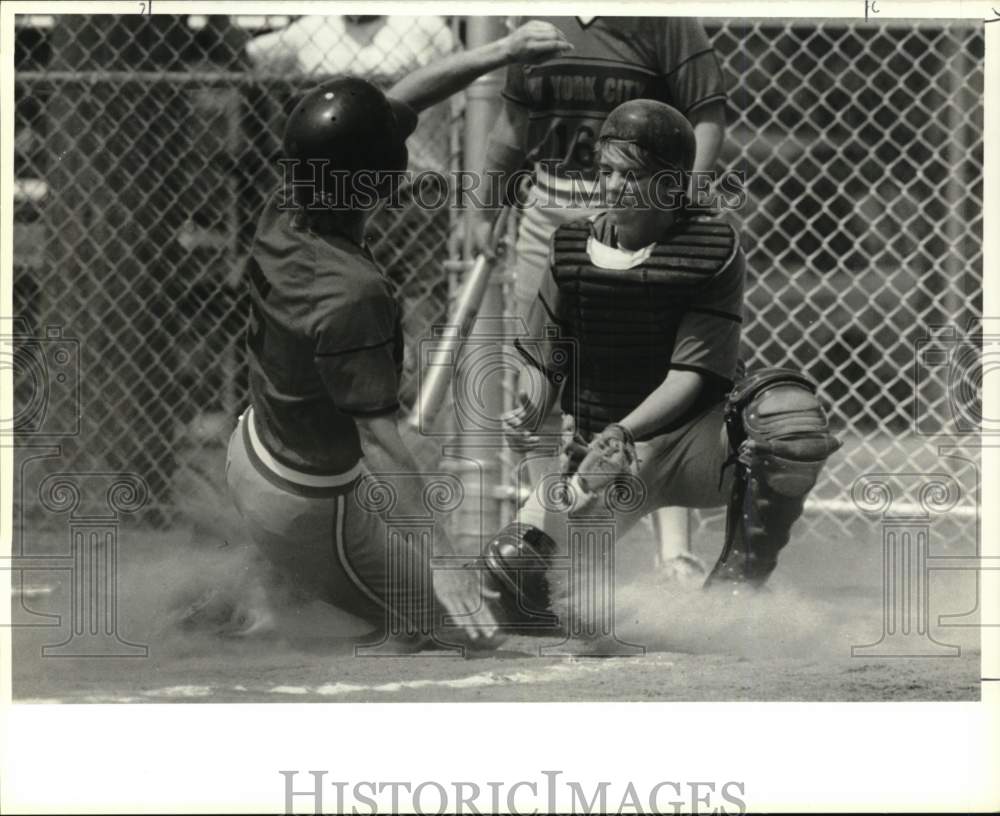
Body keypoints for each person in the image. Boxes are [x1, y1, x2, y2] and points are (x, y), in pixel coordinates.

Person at [195, 22, 574, 648]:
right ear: (383, 183)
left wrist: (499, 52)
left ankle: (267, 594)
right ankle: (288, 616)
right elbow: (377, 440)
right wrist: (444, 558)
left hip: (253, 447)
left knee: (375, 543)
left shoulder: (290, 198)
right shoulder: (352, 291)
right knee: (472, 629)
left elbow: (400, 99)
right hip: (308, 504)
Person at [483, 99, 841, 629]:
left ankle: (738, 585)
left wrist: (622, 430)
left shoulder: (709, 249)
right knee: (516, 577)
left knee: (789, 421)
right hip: (603, 459)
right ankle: (614, 609)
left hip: (696, 444)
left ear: (672, 185)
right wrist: (535, 404)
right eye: (606, 171)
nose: (612, 186)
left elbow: (690, 377)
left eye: (632, 176)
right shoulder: (571, 249)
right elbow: (546, 355)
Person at [471, 16, 730, 581]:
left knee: (653, 375)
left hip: (642, 208)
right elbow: (514, 125)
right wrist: (485, 206)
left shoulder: (663, 21)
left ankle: (675, 555)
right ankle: (546, 534)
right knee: (538, 376)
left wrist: (680, 207)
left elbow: (705, 117)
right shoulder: (540, 21)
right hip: (553, 208)